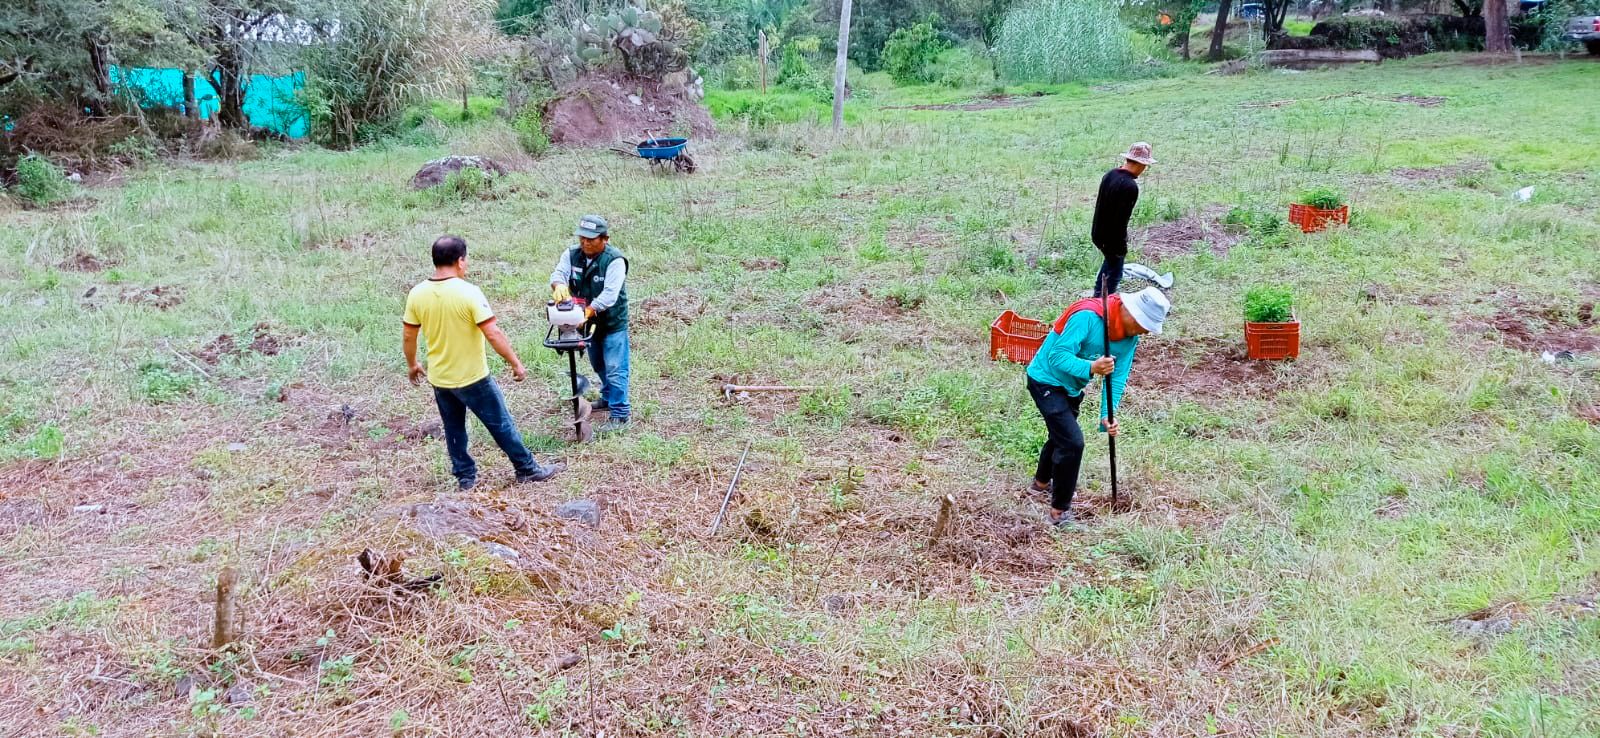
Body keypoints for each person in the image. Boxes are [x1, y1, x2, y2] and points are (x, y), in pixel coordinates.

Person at [403, 235, 564, 490]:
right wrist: (515, 363)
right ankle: (527, 468)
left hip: (441, 379)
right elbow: (493, 333)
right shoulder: (468, 293)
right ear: (460, 261)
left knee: (454, 429)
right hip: (473, 378)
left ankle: (465, 478)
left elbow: (409, 334)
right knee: (501, 423)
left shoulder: (417, 294)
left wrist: (412, 364)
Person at [1025, 286, 1170, 528]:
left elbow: (1117, 376)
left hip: (1072, 388)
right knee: (1072, 442)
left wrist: (1107, 415)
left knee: (1061, 435)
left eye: (1146, 329)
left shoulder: (1129, 339)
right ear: (1126, 309)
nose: (1142, 331)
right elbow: (1057, 356)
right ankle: (1059, 512)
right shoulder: (1087, 317)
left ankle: (1039, 485)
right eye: (1140, 324)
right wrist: (1092, 367)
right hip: (1045, 380)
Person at [550, 215, 631, 433]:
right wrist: (558, 285)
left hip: (612, 321)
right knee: (598, 364)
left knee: (615, 367)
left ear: (605, 239)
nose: (585, 243)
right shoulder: (571, 254)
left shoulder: (615, 260)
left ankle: (621, 413)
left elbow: (610, 294)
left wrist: (589, 310)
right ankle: (607, 398)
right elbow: (559, 273)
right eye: (582, 238)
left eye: (591, 239)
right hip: (586, 322)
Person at [1091, 142, 1156, 298]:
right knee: (1114, 274)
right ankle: (1101, 306)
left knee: (1109, 266)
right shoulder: (1130, 186)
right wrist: (1121, 246)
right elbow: (1120, 221)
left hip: (1098, 233)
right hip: (1112, 239)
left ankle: (1097, 296)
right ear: (1141, 164)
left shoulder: (1110, 174)